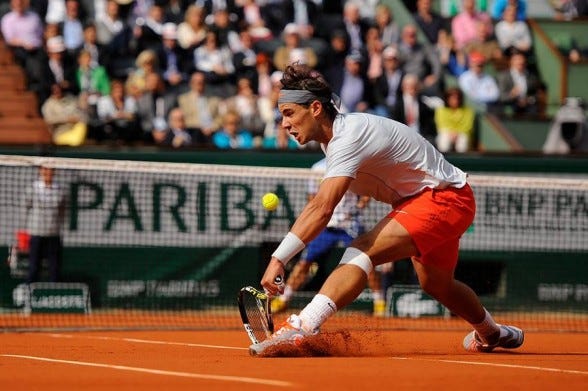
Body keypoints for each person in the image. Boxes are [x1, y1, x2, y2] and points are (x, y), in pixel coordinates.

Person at [250, 62, 524, 355]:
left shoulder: (348, 136)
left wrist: (279, 258)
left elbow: (322, 207)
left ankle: (303, 325)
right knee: (437, 284)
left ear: (315, 108)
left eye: (289, 113)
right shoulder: (331, 142)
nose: (284, 124)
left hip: (443, 199)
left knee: (364, 248)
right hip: (430, 201)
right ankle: (492, 333)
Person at [271, 158, 387, 317]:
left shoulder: (352, 162)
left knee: (367, 261)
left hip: (350, 224)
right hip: (326, 225)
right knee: (305, 262)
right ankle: (284, 299)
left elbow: (366, 192)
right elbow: (313, 197)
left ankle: (379, 302)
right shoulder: (317, 167)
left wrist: (358, 207)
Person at [23, 165, 67, 283]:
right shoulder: (32, 188)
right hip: (36, 233)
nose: (48, 172)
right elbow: (26, 207)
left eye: (50, 169)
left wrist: (59, 226)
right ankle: (29, 294)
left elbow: (62, 211)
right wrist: (26, 229)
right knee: (33, 266)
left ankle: (53, 293)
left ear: (54, 171)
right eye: (45, 169)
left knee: (54, 267)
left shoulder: (60, 190)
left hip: (53, 233)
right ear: (40, 170)